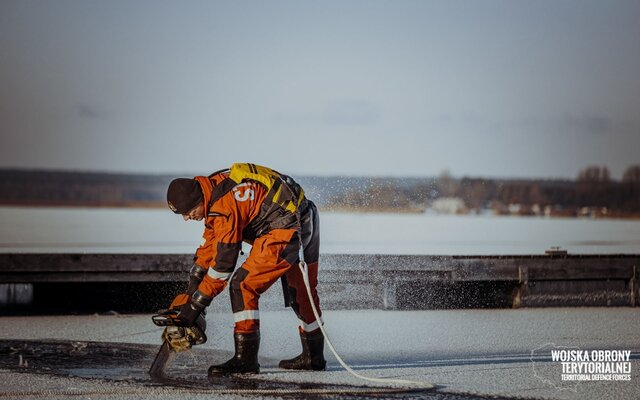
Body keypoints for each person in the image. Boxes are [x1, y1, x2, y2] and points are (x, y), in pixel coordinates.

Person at [165, 163, 325, 376]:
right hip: (305, 217)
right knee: (303, 293)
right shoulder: (215, 190)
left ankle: (246, 360)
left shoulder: (223, 205)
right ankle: (313, 358)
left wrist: (195, 306)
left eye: (188, 212)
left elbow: (223, 264)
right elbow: (211, 247)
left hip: (286, 227)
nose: (187, 218)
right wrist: (192, 287)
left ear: (199, 201)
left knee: (243, 285)